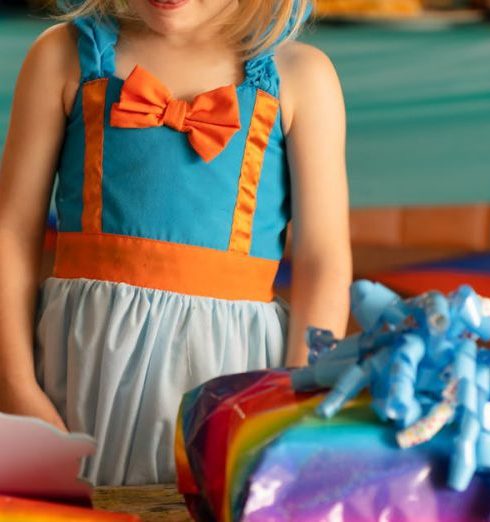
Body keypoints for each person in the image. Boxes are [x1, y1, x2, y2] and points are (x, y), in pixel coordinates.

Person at [0, 0, 352, 485]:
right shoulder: (62, 56)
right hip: (83, 369)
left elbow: (323, 258)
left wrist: (298, 400)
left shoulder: (301, 77)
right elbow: (12, 231)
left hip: (233, 375)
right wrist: (17, 387)